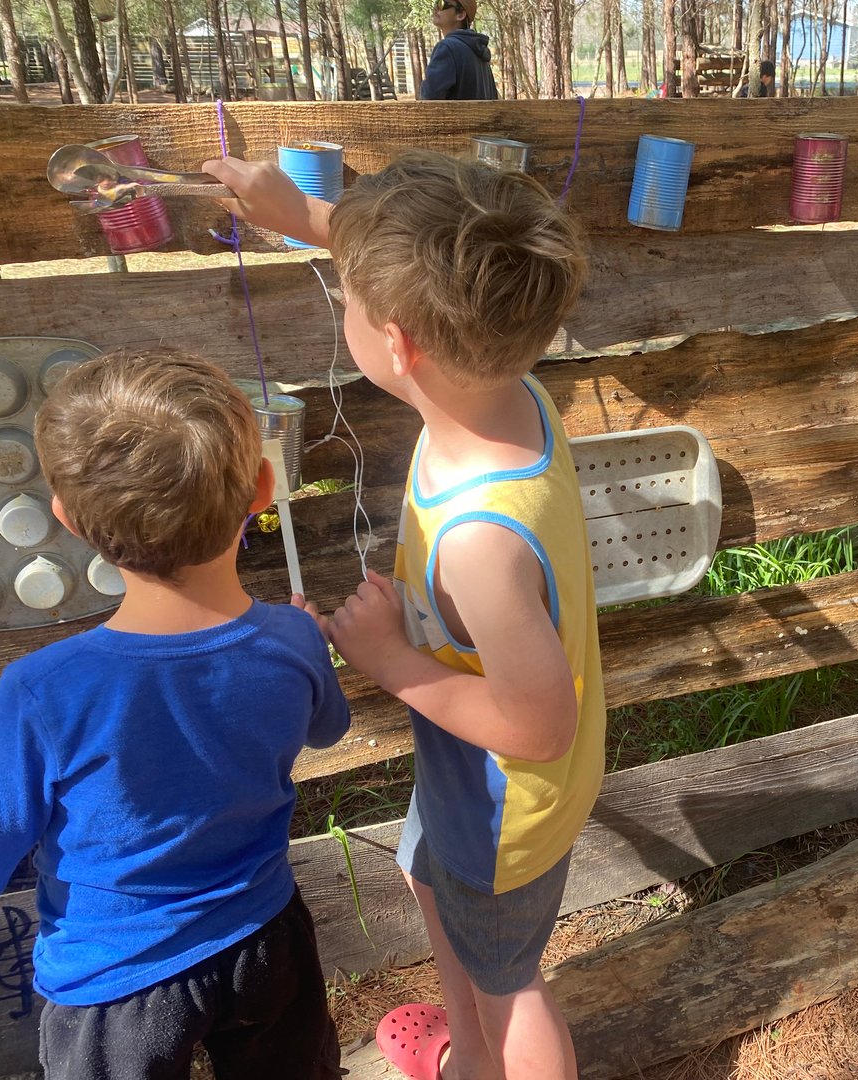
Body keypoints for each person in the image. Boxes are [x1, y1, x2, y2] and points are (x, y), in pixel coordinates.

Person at [202, 151, 603, 1080]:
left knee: (514, 980)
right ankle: (469, 1059)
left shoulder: (478, 545)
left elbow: (541, 729)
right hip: (467, 771)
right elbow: (415, 271)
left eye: (347, 294)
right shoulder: (509, 391)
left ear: (399, 344)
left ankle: (501, 1050)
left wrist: (390, 662)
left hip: (511, 797)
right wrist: (301, 212)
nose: (342, 301)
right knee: (431, 878)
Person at [0, 347, 351, 1079]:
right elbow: (329, 727)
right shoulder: (290, 638)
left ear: (67, 518)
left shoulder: (44, 690)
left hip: (117, 987)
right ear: (263, 484)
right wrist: (305, 643)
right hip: (268, 943)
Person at [419, 0, 498, 101]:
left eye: (442, 3)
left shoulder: (447, 48)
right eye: (436, 3)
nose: (435, 9)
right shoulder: (480, 54)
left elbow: (429, 98)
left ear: (460, 15)